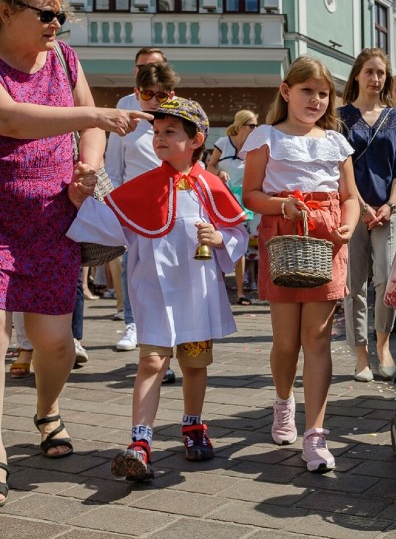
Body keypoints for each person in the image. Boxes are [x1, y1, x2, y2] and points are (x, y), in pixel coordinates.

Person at [0, 0, 151, 505]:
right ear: (5, 10)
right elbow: (11, 118)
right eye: (46, 14)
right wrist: (96, 115)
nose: (56, 24)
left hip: (52, 215)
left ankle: (47, 411)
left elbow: (87, 131)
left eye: (61, 15)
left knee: (56, 343)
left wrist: (88, 164)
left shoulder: (64, 58)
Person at [67, 97, 248, 481]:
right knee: (151, 361)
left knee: (195, 364)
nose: (160, 139)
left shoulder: (211, 185)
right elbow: (108, 221)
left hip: (197, 294)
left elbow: (236, 231)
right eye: (156, 133)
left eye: (170, 133)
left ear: (197, 139)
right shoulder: (143, 187)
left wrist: (219, 237)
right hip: (152, 290)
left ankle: (193, 425)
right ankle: (140, 441)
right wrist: (81, 199)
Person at [242, 56, 359, 472]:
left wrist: (347, 224)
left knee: (319, 339)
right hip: (284, 235)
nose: (316, 100)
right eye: (307, 90)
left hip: (325, 238)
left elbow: (349, 196)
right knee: (286, 342)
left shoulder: (335, 141)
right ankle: (282, 400)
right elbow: (251, 195)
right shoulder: (265, 136)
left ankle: (316, 434)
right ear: (286, 91)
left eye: (323, 93)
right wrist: (282, 205)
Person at [338, 49, 396, 382]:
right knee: (354, 285)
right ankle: (361, 354)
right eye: (369, 71)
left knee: (386, 281)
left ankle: (383, 344)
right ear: (357, 75)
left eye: (380, 72)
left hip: (387, 210)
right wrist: (361, 205)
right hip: (353, 210)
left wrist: (390, 205)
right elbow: (338, 167)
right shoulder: (340, 117)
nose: (375, 78)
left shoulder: (394, 117)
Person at [105, 62, 179, 360]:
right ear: (136, 93)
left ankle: (165, 340)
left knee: (166, 272)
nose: (153, 100)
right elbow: (112, 167)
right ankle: (133, 324)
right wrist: (114, 206)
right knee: (132, 269)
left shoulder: (178, 123)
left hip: (170, 205)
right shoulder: (126, 126)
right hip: (134, 206)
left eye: (161, 95)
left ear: (170, 94)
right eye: (147, 93)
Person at [206, 109, 259, 305]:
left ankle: (240, 292)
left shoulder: (254, 147)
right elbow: (209, 167)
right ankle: (218, 290)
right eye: (252, 125)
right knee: (220, 243)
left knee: (240, 244)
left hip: (243, 202)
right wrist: (219, 173)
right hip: (223, 199)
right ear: (241, 126)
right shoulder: (223, 143)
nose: (255, 129)